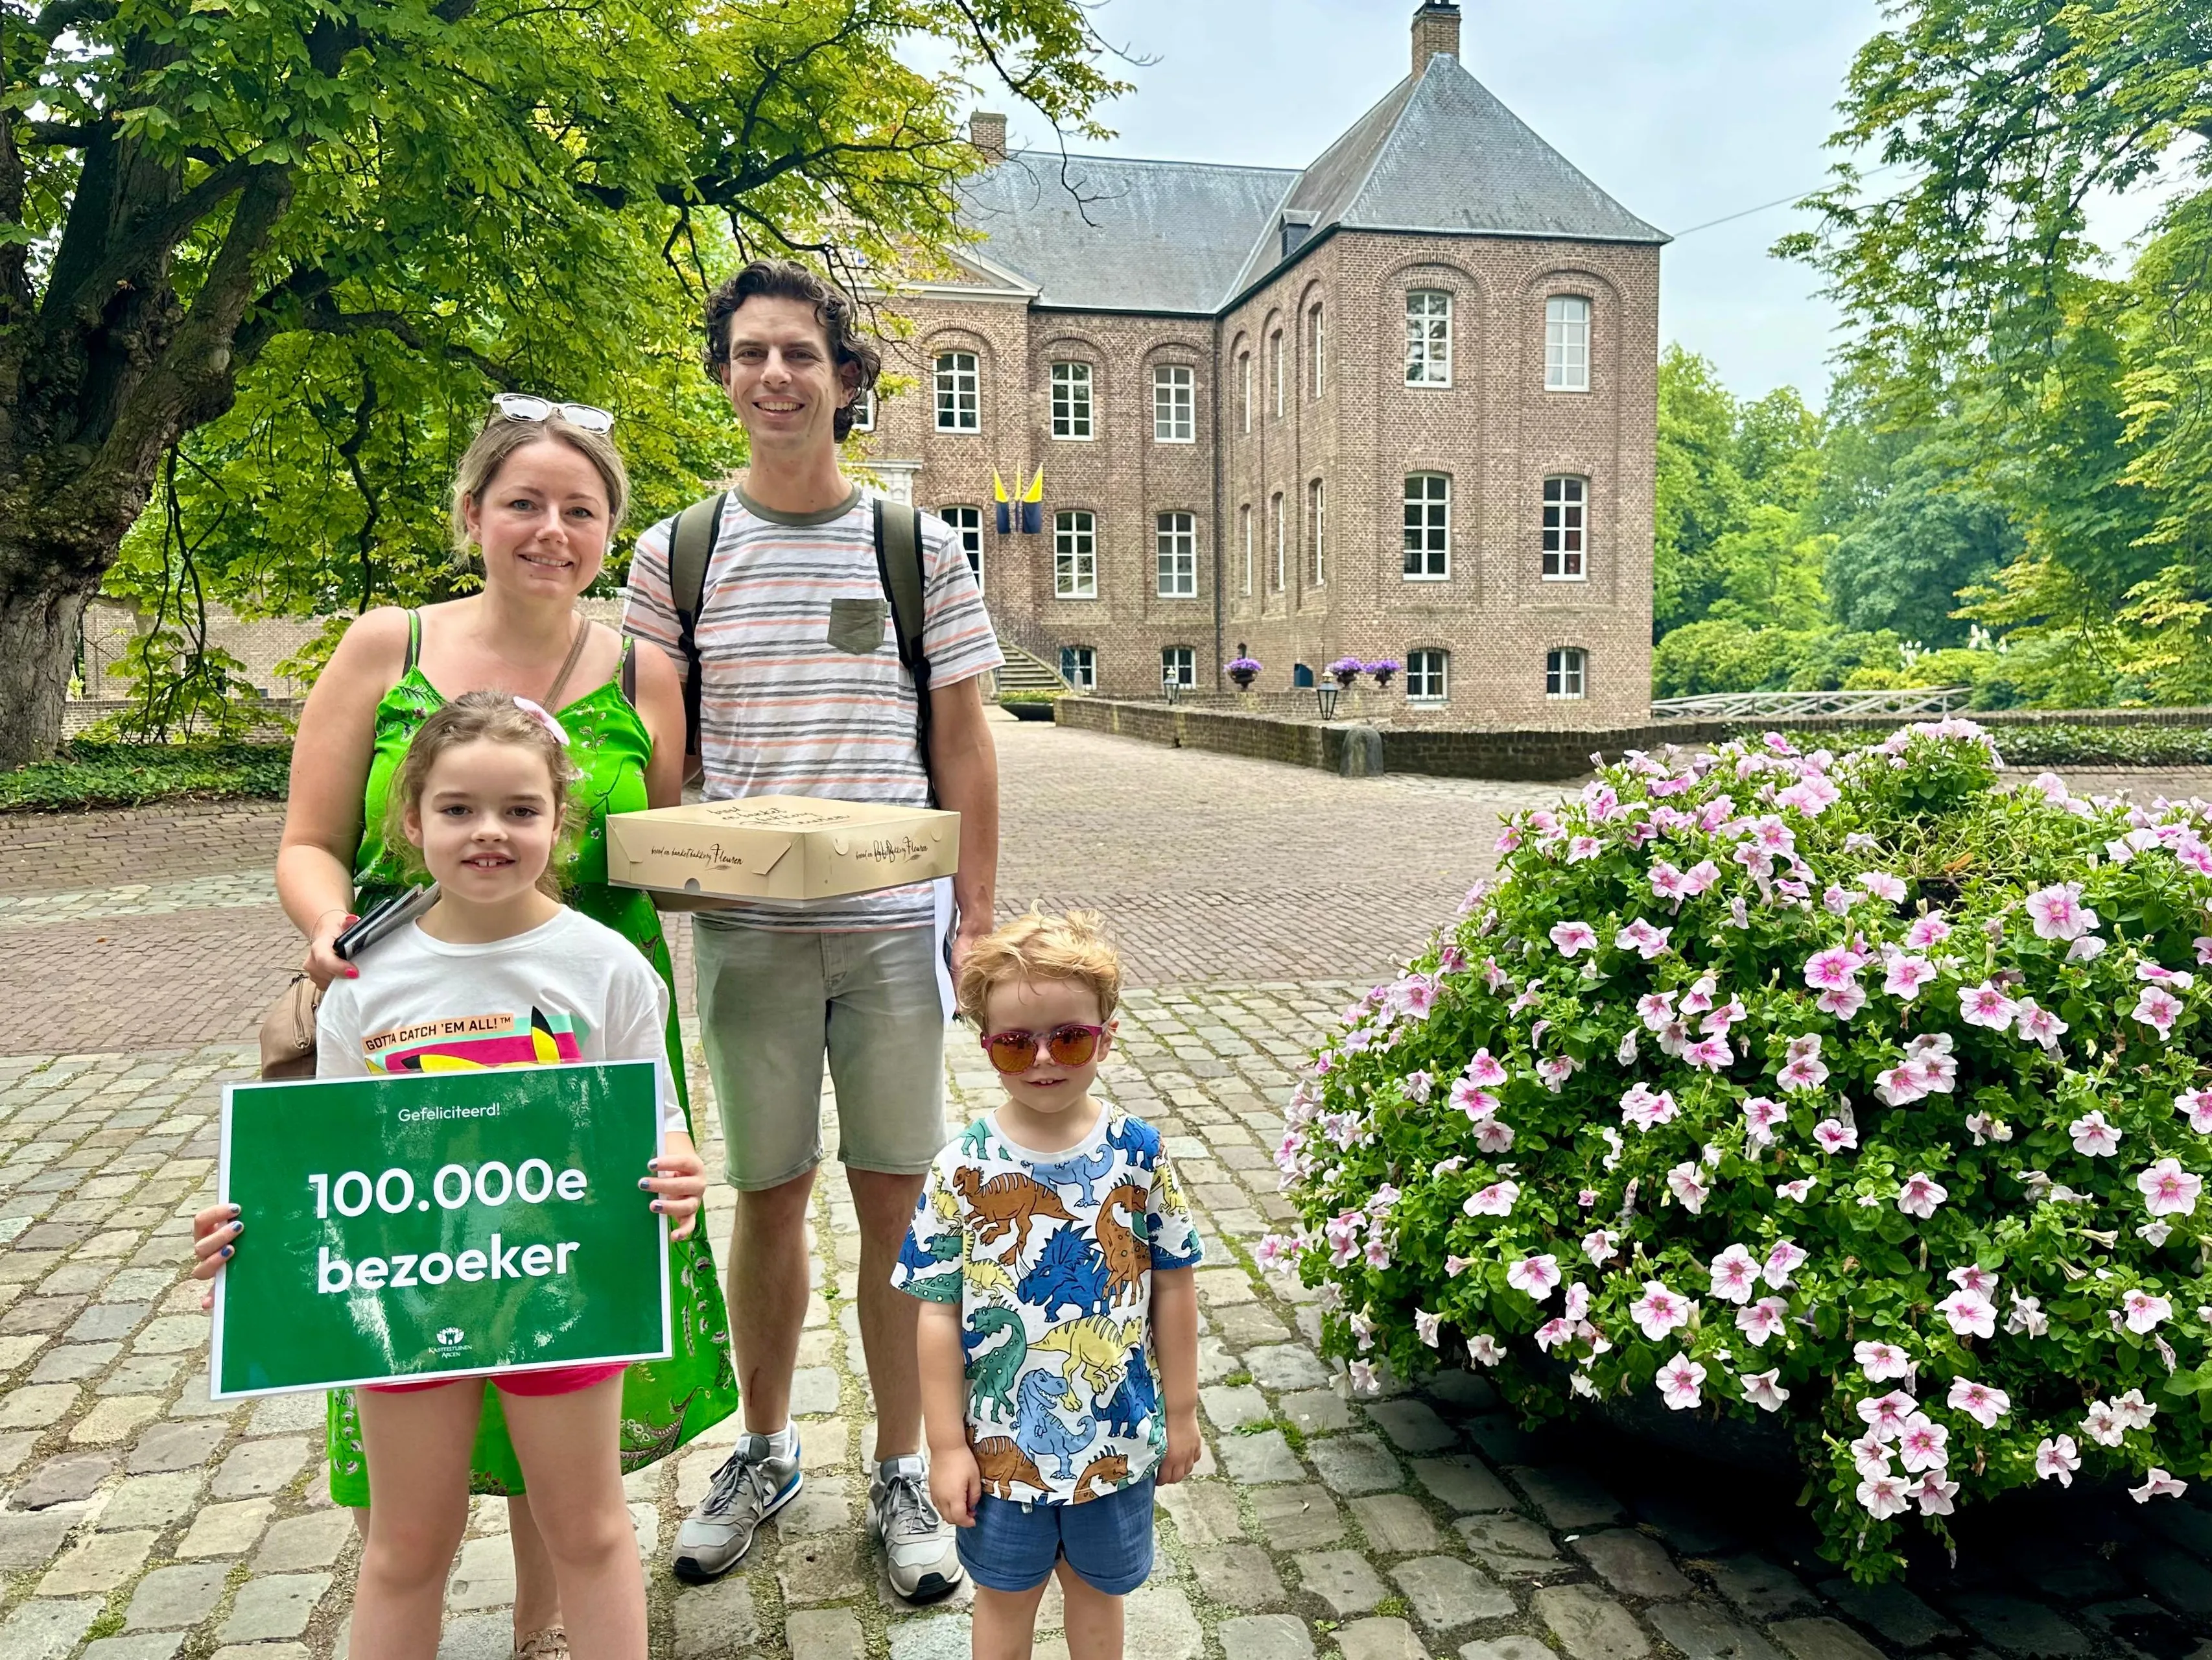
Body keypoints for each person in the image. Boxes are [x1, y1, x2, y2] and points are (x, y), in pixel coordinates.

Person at [198, 397, 739, 1658]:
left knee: (569, 1388)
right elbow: (307, 839)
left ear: (609, 531)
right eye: (523, 503)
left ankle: (546, 1628)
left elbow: (657, 842)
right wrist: (337, 934)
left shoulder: (645, 666)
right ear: (474, 515)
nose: (550, 528)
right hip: (406, 995)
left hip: (580, 1026)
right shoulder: (387, 642)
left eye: (579, 508)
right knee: (420, 1461)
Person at [624, 259, 1003, 1597]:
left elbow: (963, 740)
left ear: (846, 379)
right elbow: (658, 740)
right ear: (723, 375)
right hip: (747, 927)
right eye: (749, 353)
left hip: (895, 923)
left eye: (799, 353)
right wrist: (654, 853)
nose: (773, 374)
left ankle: (904, 1466)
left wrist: (975, 921)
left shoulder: (917, 546)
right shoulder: (673, 551)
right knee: (767, 1194)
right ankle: (768, 1447)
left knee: (899, 1200)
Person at [893, 911, 1203, 1660]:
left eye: (1067, 1038)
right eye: (1014, 1042)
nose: (1041, 1060)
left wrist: (1183, 1412)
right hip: (999, 1452)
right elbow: (936, 1313)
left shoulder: (1139, 1152)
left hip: (1116, 1439)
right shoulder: (960, 1165)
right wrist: (943, 1445)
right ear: (985, 1046)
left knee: (1099, 1597)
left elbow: (1174, 1283)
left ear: (1106, 1035)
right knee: (1003, 1602)